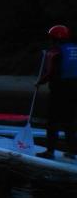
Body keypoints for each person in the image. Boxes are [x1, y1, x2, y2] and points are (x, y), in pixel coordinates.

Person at [35, 25, 77, 159]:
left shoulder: (56, 52)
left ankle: (50, 151)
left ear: (55, 38)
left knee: (52, 121)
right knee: (69, 121)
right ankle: (71, 151)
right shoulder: (74, 48)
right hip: (74, 89)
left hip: (60, 89)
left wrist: (40, 82)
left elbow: (52, 73)